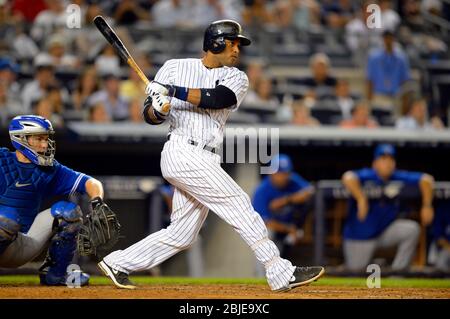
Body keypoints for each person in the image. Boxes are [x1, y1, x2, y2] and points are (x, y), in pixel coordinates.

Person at [98, 19, 324, 292]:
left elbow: (218, 99)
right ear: (216, 42)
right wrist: (158, 109)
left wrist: (172, 91)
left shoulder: (236, 77)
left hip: (206, 156)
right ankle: (279, 270)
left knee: (182, 234)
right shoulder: (174, 67)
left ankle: (118, 263)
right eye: (233, 43)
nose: (237, 49)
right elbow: (149, 116)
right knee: (239, 203)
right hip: (182, 151)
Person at [0, 115, 106, 286]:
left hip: (22, 244)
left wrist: (98, 202)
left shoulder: (50, 169)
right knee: (7, 219)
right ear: (21, 138)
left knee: (69, 213)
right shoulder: (1, 160)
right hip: (4, 226)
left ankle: (56, 274)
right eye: (39, 138)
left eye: (46, 139)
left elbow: (91, 183)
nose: (44, 144)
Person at [341, 143, 434, 272]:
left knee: (412, 229)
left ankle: (398, 273)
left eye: (391, 159)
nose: (388, 163)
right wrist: (361, 198)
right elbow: (348, 177)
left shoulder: (397, 176)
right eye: (383, 159)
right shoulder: (367, 175)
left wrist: (427, 205)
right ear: (375, 163)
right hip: (361, 236)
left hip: (384, 232)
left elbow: (427, 180)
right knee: (356, 270)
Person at [252, 154, 314, 258]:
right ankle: (262, 273)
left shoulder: (293, 181)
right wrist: (289, 229)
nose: (285, 177)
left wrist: (286, 200)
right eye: (280, 173)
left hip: (291, 227)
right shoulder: (262, 190)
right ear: (271, 173)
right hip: (274, 231)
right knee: (266, 235)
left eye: (287, 173)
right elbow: (264, 222)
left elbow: (311, 190)